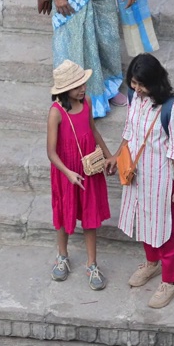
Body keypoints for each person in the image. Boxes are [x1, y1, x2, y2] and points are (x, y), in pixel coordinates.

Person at [114, 53, 174, 309]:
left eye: (141, 84)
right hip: (138, 175)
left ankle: (170, 280)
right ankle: (151, 263)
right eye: (133, 83)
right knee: (144, 220)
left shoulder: (172, 108)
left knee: (166, 229)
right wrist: (118, 155)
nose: (136, 89)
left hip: (162, 179)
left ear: (154, 82)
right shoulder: (135, 97)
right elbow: (129, 130)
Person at [46, 60, 114, 290]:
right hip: (66, 171)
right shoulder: (55, 113)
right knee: (65, 213)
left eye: (82, 84)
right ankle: (62, 255)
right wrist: (68, 173)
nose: (82, 89)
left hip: (88, 169)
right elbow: (51, 153)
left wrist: (108, 156)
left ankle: (92, 263)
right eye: (76, 87)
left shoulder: (87, 102)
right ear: (65, 90)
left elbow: (94, 131)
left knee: (90, 215)